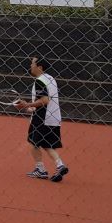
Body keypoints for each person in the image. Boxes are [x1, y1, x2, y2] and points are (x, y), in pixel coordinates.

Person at [15, 55, 69, 183]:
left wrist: (27, 104)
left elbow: (44, 100)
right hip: (53, 117)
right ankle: (60, 165)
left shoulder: (39, 81)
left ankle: (40, 169)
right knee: (47, 144)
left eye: (33, 64)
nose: (30, 66)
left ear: (39, 67)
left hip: (42, 118)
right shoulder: (50, 78)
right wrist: (31, 107)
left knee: (33, 142)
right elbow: (47, 100)